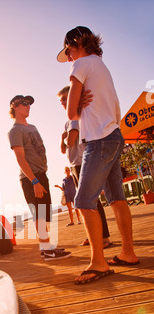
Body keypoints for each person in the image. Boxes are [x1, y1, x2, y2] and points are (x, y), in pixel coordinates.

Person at [57, 26, 139, 284]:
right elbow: (115, 106)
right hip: (114, 134)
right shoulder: (101, 66)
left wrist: (78, 104)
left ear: (77, 43)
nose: (68, 57)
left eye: (68, 50)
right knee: (116, 198)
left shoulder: (81, 65)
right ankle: (127, 253)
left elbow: (71, 112)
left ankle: (98, 262)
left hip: (99, 140)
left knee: (83, 202)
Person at [8, 94, 71, 261]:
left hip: (41, 174)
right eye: (24, 103)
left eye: (29, 104)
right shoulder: (15, 131)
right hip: (31, 177)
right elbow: (20, 158)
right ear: (14, 106)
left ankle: (47, 248)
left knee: (43, 214)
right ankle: (47, 251)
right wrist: (34, 181)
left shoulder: (32, 127)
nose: (28, 106)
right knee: (38, 215)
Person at [57, 85, 112, 248]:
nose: (63, 103)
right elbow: (63, 148)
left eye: (65, 99)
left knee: (90, 201)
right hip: (75, 163)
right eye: (61, 101)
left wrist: (66, 138)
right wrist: (63, 138)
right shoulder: (68, 121)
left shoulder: (74, 118)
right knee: (87, 202)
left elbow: (71, 141)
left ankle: (104, 238)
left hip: (82, 162)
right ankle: (95, 236)